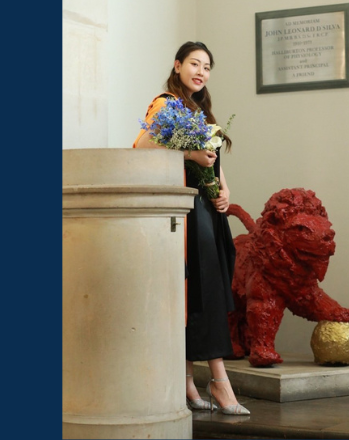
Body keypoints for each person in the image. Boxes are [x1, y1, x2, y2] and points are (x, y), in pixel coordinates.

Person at [133, 41, 249, 416]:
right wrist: (190, 155)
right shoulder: (165, 103)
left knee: (205, 291)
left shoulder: (199, 109)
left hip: (206, 210)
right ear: (178, 65)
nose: (201, 71)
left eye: (207, 66)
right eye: (194, 63)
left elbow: (211, 159)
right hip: (185, 212)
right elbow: (143, 144)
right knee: (200, 293)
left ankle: (187, 381)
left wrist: (226, 189)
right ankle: (219, 380)